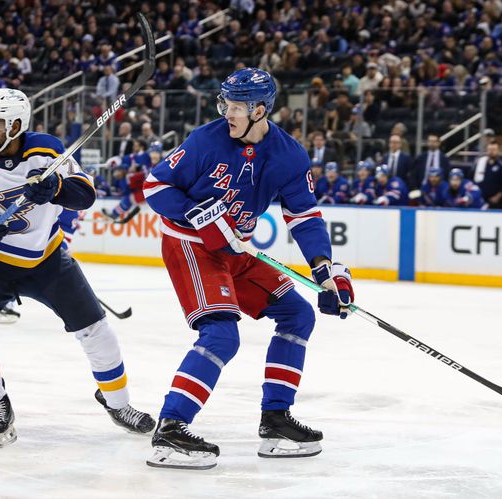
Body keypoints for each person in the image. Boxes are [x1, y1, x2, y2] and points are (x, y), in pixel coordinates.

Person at [143, 68, 355, 469]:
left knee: (297, 314)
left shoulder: (289, 154)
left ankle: (275, 420)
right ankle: (170, 429)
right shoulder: (206, 140)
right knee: (222, 334)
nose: (227, 113)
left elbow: (305, 215)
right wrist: (196, 215)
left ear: (260, 110)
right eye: (224, 103)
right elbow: (155, 186)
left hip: (236, 249)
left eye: (236, 106)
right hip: (192, 246)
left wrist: (326, 270)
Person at [0, 88, 155, 448]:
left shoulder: (47, 149)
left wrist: (56, 187)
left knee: (99, 333)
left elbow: (85, 194)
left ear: (16, 125)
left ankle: (118, 403)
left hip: (48, 260)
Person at [473, 142, 502, 209]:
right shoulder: (480, 164)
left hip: (495, 201)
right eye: (490, 149)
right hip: (480, 199)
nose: (491, 152)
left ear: (498, 151)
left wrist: (497, 197)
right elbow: (472, 178)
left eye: (494, 149)